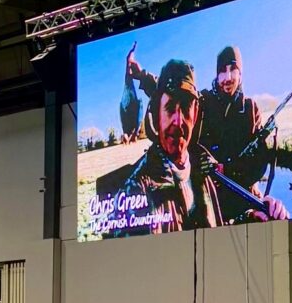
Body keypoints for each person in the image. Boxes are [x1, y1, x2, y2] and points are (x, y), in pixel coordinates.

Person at [117, 58, 224, 233]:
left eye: (186, 106)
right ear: (157, 114)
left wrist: (254, 217)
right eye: (170, 107)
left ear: (195, 113)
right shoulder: (137, 192)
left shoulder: (205, 170)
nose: (178, 120)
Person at [197, 44, 274, 222]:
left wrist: (227, 170)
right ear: (216, 75)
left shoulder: (250, 108)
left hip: (243, 193)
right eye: (223, 71)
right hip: (207, 195)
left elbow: (257, 165)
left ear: (241, 74)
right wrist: (142, 77)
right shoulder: (203, 102)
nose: (228, 77)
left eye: (233, 69)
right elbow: (176, 91)